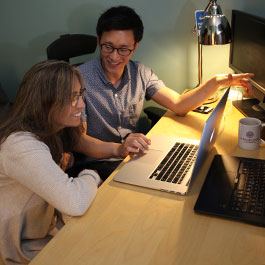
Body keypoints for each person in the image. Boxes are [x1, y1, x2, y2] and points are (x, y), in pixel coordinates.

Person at [76, 5, 253, 179]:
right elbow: (79, 140)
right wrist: (118, 149)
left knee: (193, 174)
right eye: (108, 46)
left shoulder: (140, 72)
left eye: (123, 49)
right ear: (99, 40)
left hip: (131, 158)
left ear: (135, 46)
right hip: (97, 165)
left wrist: (215, 82)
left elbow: (179, 105)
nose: (114, 57)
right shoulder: (79, 79)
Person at [0, 60, 147, 265]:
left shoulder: (52, 129)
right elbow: (75, 202)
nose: (82, 104)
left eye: (81, 95)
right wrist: (91, 175)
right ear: (46, 101)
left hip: (46, 225)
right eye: (73, 98)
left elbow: (82, 143)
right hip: (25, 249)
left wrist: (120, 149)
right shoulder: (20, 145)